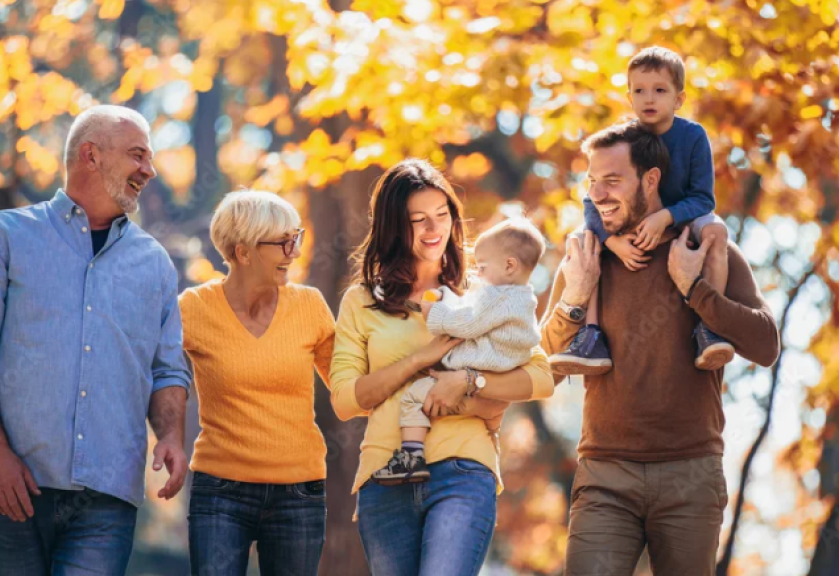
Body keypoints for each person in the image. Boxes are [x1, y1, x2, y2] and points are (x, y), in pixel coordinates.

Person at [0, 105, 191, 575]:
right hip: (14, 486)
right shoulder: (2, 237)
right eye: (138, 156)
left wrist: (172, 435)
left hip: (107, 499)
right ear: (90, 155)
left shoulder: (154, 263)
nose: (149, 171)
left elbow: (167, 368)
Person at [539, 122, 780, 575]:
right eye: (592, 181)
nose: (598, 194)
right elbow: (539, 369)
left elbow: (766, 345)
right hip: (604, 474)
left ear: (650, 179)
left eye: (612, 180)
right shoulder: (586, 259)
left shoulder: (707, 251)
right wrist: (573, 300)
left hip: (691, 474)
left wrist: (695, 289)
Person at [330, 159, 555, 576]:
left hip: (463, 470)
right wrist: (420, 358)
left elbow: (541, 379)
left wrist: (469, 382)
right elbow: (345, 400)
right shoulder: (361, 301)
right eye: (418, 220)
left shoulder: (485, 289)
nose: (434, 230)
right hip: (384, 476)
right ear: (393, 226)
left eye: (442, 216)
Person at [551, 46, 734, 375]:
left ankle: (710, 326)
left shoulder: (693, 137)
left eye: (660, 90)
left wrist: (666, 216)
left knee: (716, 232)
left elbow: (704, 199)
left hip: (683, 218)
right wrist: (610, 240)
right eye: (639, 91)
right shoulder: (626, 138)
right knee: (582, 240)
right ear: (629, 96)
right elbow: (593, 199)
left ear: (679, 99)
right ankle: (590, 336)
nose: (649, 99)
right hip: (626, 223)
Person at [179, 190, 335, 576]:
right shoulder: (193, 309)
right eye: (283, 242)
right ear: (243, 252)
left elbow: (351, 389)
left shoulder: (310, 305)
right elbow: (152, 374)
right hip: (220, 491)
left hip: (299, 492)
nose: (294, 251)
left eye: (295, 238)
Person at [371, 218, 545, 485]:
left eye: (483, 267)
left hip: (482, 362)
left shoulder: (495, 296)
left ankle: (411, 458)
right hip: (502, 368)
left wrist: (435, 312)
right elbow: (471, 307)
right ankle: (489, 424)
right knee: (485, 408)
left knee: (413, 397)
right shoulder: (522, 298)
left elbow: (467, 322)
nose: (478, 274)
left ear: (509, 265)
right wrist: (447, 297)